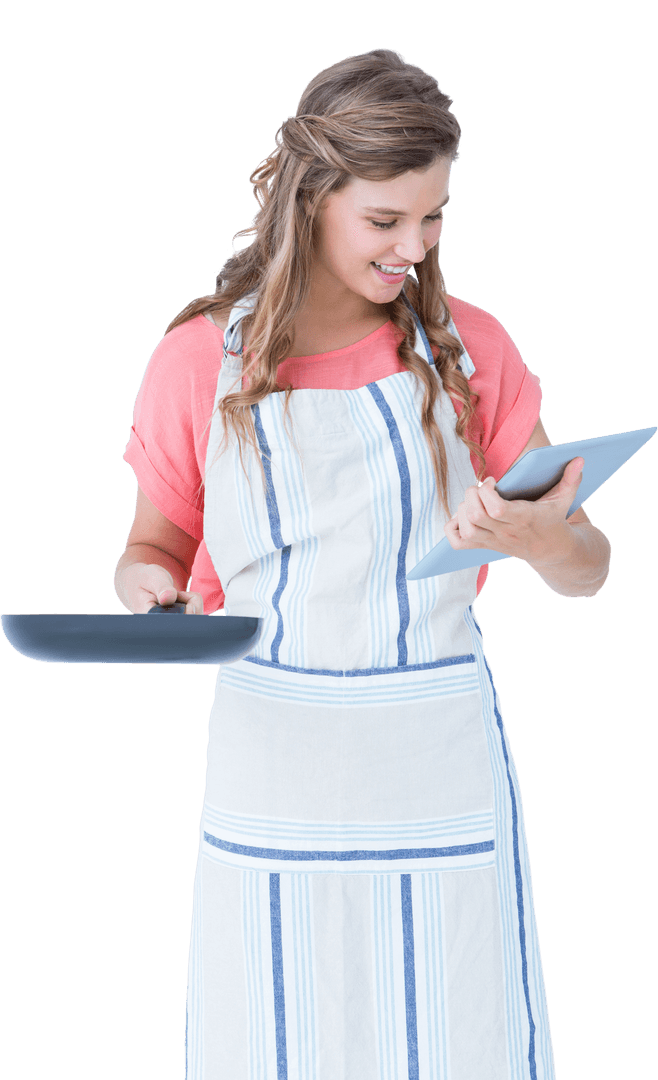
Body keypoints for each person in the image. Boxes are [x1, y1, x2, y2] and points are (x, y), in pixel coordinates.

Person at [114, 48, 611, 1079]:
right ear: (312, 199)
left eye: (432, 218)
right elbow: (150, 543)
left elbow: (588, 569)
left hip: (436, 763)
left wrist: (539, 539)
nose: (413, 246)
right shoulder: (198, 359)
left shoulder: (469, 353)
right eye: (384, 221)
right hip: (274, 765)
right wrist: (146, 587)